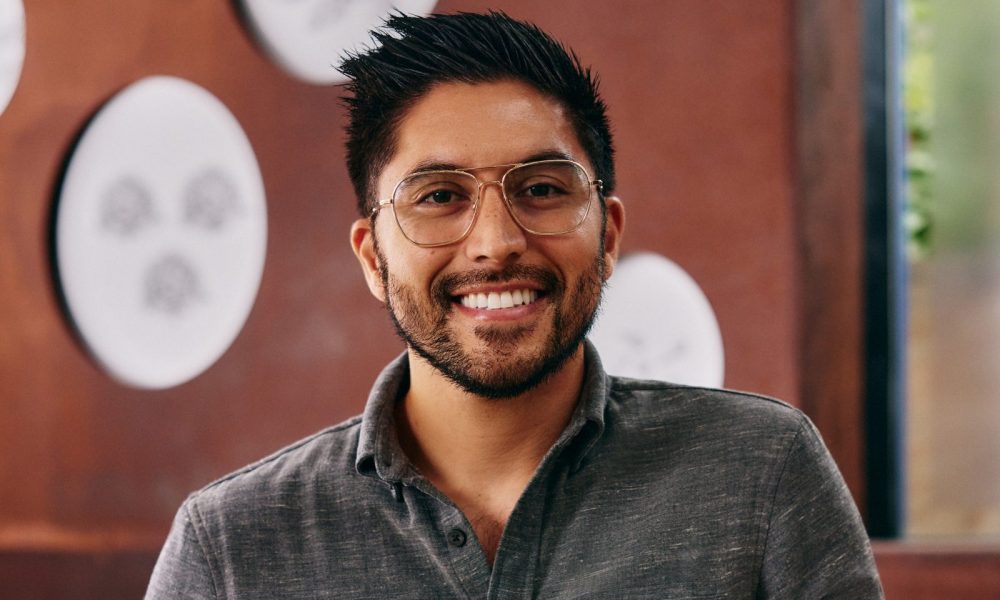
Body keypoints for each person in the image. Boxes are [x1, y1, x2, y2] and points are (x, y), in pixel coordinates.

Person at [146, 11, 883, 599]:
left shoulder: (762, 474)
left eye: (541, 189)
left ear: (608, 235)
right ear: (373, 257)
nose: (496, 243)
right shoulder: (232, 548)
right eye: (440, 196)